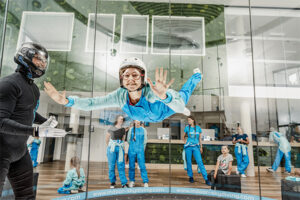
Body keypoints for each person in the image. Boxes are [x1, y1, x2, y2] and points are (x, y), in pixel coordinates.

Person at [44, 57, 202, 123]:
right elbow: (93, 103)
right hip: (146, 118)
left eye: (135, 75)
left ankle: (197, 76)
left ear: (142, 77)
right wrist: (67, 101)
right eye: (126, 76)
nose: (131, 79)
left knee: (185, 94)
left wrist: (164, 96)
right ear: (121, 79)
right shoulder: (120, 96)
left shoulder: (152, 90)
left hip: (165, 109)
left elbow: (179, 107)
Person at [0, 42, 64, 199]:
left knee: (27, 196)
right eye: (38, 59)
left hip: (20, 151)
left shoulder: (34, 89)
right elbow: (1, 121)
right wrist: (34, 131)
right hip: (1, 151)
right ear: (24, 56)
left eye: (44, 61)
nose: (42, 64)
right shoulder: (9, 84)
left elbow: (27, 112)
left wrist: (46, 121)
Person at [182, 116, 211, 185]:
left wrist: (201, 147)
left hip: (196, 147)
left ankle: (206, 179)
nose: (188, 121)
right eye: (188, 120)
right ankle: (191, 177)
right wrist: (185, 142)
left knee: (200, 162)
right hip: (188, 147)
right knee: (189, 162)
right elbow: (183, 136)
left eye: (189, 120)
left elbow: (200, 139)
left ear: (193, 120)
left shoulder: (198, 128)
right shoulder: (187, 128)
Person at [105, 115, 128, 188]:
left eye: (122, 119)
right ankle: (112, 182)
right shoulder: (111, 128)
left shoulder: (123, 129)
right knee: (111, 166)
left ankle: (123, 183)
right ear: (117, 119)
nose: (121, 120)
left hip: (120, 149)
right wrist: (110, 146)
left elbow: (123, 140)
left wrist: (122, 148)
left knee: (121, 166)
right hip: (112, 149)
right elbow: (107, 138)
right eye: (120, 119)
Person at [127, 120, 149, 188]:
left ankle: (145, 182)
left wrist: (142, 149)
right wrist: (132, 146)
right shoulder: (131, 129)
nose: (137, 122)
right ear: (134, 121)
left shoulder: (143, 130)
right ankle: (132, 181)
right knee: (131, 166)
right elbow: (128, 139)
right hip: (132, 149)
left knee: (142, 165)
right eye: (136, 120)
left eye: (139, 120)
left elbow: (145, 141)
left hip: (140, 149)